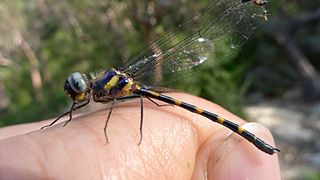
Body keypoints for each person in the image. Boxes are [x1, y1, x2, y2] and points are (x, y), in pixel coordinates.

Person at [0, 93, 280, 179]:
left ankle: (255, 144)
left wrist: (109, 130)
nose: (75, 93)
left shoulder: (108, 88)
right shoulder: (99, 91)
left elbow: (125, 109)